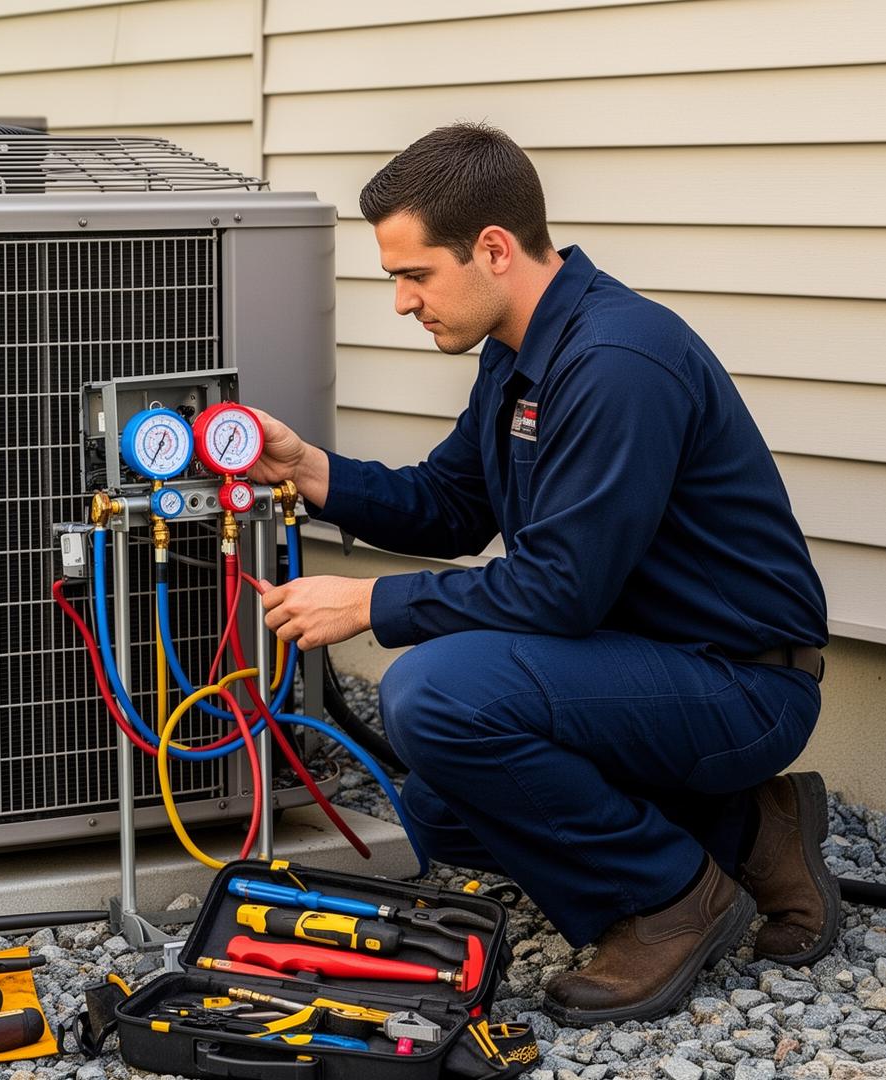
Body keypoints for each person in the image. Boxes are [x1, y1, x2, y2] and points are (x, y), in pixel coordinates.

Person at [250, 122, 836, 1024]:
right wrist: (311, 471)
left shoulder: (614, 363)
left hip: (739, 682)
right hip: (638, 661)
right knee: (441, 807)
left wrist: (369, 602)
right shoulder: (522, 352)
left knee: (436, 698)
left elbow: (560, 590)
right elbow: (451, 505)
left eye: (415, 275)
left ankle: (674, 897)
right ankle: (751, 829)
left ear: (492, 248)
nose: (403, 302)